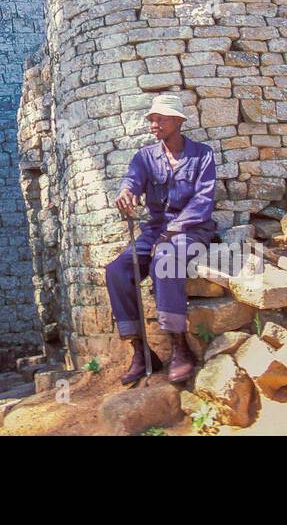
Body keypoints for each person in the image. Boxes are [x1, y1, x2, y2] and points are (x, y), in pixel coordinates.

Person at [106, 94, 218, 385]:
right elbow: (132, 180)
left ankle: (179, 346)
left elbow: (203, 202)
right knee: (117, 270)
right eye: (152, 119)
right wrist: (126, 193)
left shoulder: (203, 155)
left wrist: (172, 232)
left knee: (165, 259)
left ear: (178, 121)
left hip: (192, 231)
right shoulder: (144, 157)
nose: (154, 124)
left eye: (160, 119)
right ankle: (141, 351)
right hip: (155, 231)